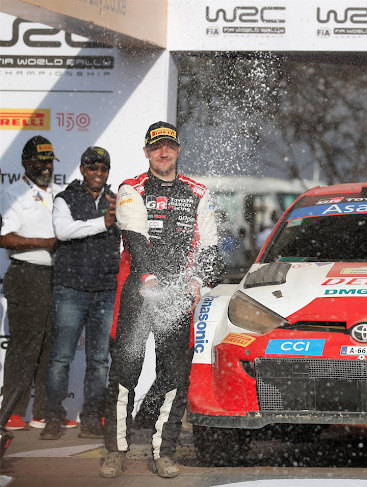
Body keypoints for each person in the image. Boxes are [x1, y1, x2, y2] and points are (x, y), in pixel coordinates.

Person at [100, 122, 219, 479]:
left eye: (169, 146)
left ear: (178, 149)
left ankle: (163, 452)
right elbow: (135, 240)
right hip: (138, 294)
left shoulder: (198, 192)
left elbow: (211, 248)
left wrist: (198, 280)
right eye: (156, 148)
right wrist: (150, 277)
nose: (163, 153)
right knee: (124, 375)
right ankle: (116, 451)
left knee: (174, 376)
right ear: (147, 152)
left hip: (178, 297)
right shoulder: (131, 188)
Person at [40, 147, 120, 440]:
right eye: (93, 168)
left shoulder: (117, 200)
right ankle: (52, 418)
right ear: (82, 169)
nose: (99, 173)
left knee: (99, 361)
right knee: (61, 358)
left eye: (104, 168)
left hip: (105, 290)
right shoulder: (65, 198)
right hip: (70, 290)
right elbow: (63, 231)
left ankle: (90, 419)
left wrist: (119, 215)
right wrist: (104, 222)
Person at [0, 136, 67, 431]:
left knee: (51, 347)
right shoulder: (13, 193)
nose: (46, 166)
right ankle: (12, 413)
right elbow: (4, 238)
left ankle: (43, 412)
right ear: (26, 162)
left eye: (50, 161)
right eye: (41, 160)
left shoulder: (60, 194)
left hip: (58, 279)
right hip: (27, 276)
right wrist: (45, 243)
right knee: (26, 344)